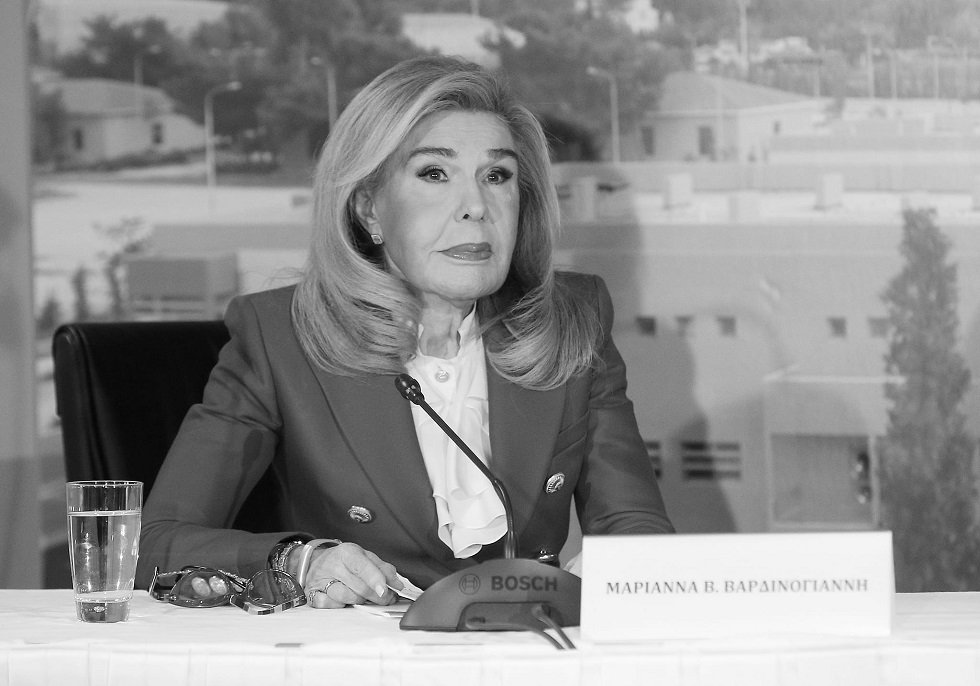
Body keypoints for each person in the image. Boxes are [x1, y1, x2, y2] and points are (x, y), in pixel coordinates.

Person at [135, 55, 673, 609]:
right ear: (369, 208)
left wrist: (622, 565)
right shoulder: (280, 336)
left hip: (527, 644)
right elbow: (154, 545)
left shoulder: (573, 320)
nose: (476, 207)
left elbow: (636, 524)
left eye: (497, 176)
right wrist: (298, 561)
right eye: (434, 173)